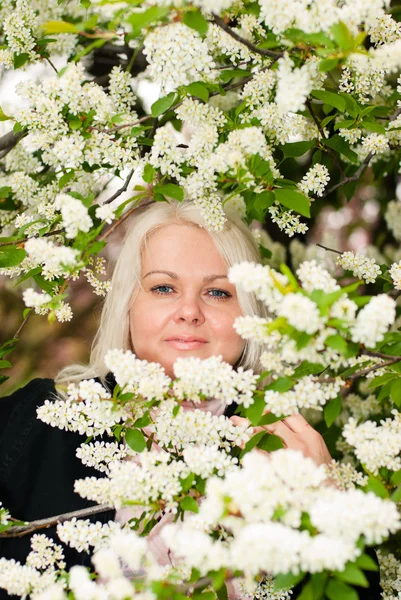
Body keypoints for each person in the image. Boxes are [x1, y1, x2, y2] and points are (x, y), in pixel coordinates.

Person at [0, 201, 379, 597]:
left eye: (218, 292)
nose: (189, 311)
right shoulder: (41, 422)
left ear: (248, 317)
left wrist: (329, 510)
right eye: (164, 287)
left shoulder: (283, 447)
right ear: (129, 303)